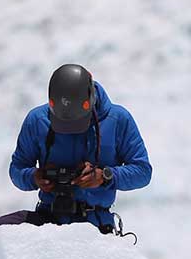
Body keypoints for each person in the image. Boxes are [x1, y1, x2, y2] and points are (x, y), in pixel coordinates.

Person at [9, 63, 153, 233]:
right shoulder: (37, 120)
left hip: (97, 226)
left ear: (91, 99)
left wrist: (105, 176)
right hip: (49, 222)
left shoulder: (119, 119)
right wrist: (35, 177)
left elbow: (143, 172)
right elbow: (17, 169)